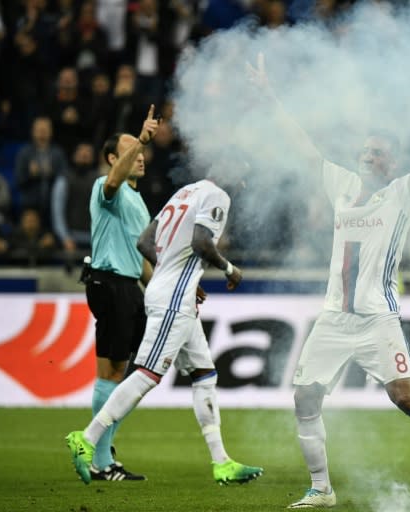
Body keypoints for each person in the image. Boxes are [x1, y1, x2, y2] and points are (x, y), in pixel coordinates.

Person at [246, 53, 410, 509]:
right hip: (334, 317)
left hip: (378, 319)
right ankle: (321, 488)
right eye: (365, 149)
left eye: (377, 151)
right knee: (304, 396)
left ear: (391, 161)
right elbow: (300, 144)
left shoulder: (399, 193)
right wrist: (271, 98)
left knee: (405, 395)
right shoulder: (340, 184)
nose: (368, 154)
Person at [65, 170, 263, 486]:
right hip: (173, 299)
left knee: (204, 375)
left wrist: (170, 269)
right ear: (231, 173)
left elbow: (144, 241)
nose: (241, 186)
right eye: (241, 179)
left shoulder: (184, 193)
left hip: (174, 293)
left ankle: (221, 462)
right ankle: (87, 437)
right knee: (147, 374)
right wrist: (228, 268)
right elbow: (201, 241)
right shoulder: (217, 196)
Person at [80, 106, 159, 481]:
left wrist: (164, 285)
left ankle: (103, 448)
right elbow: (111, 183)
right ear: (113, 159)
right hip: (109, 283)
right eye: (131, 150)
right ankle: (99, 458)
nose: (140, 156)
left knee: (129, 372)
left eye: (142, 149)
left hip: (130, 287)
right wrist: (141, 136)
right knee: (112, 370)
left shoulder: (138, 202)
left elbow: (141, 256)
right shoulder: (105, 186)